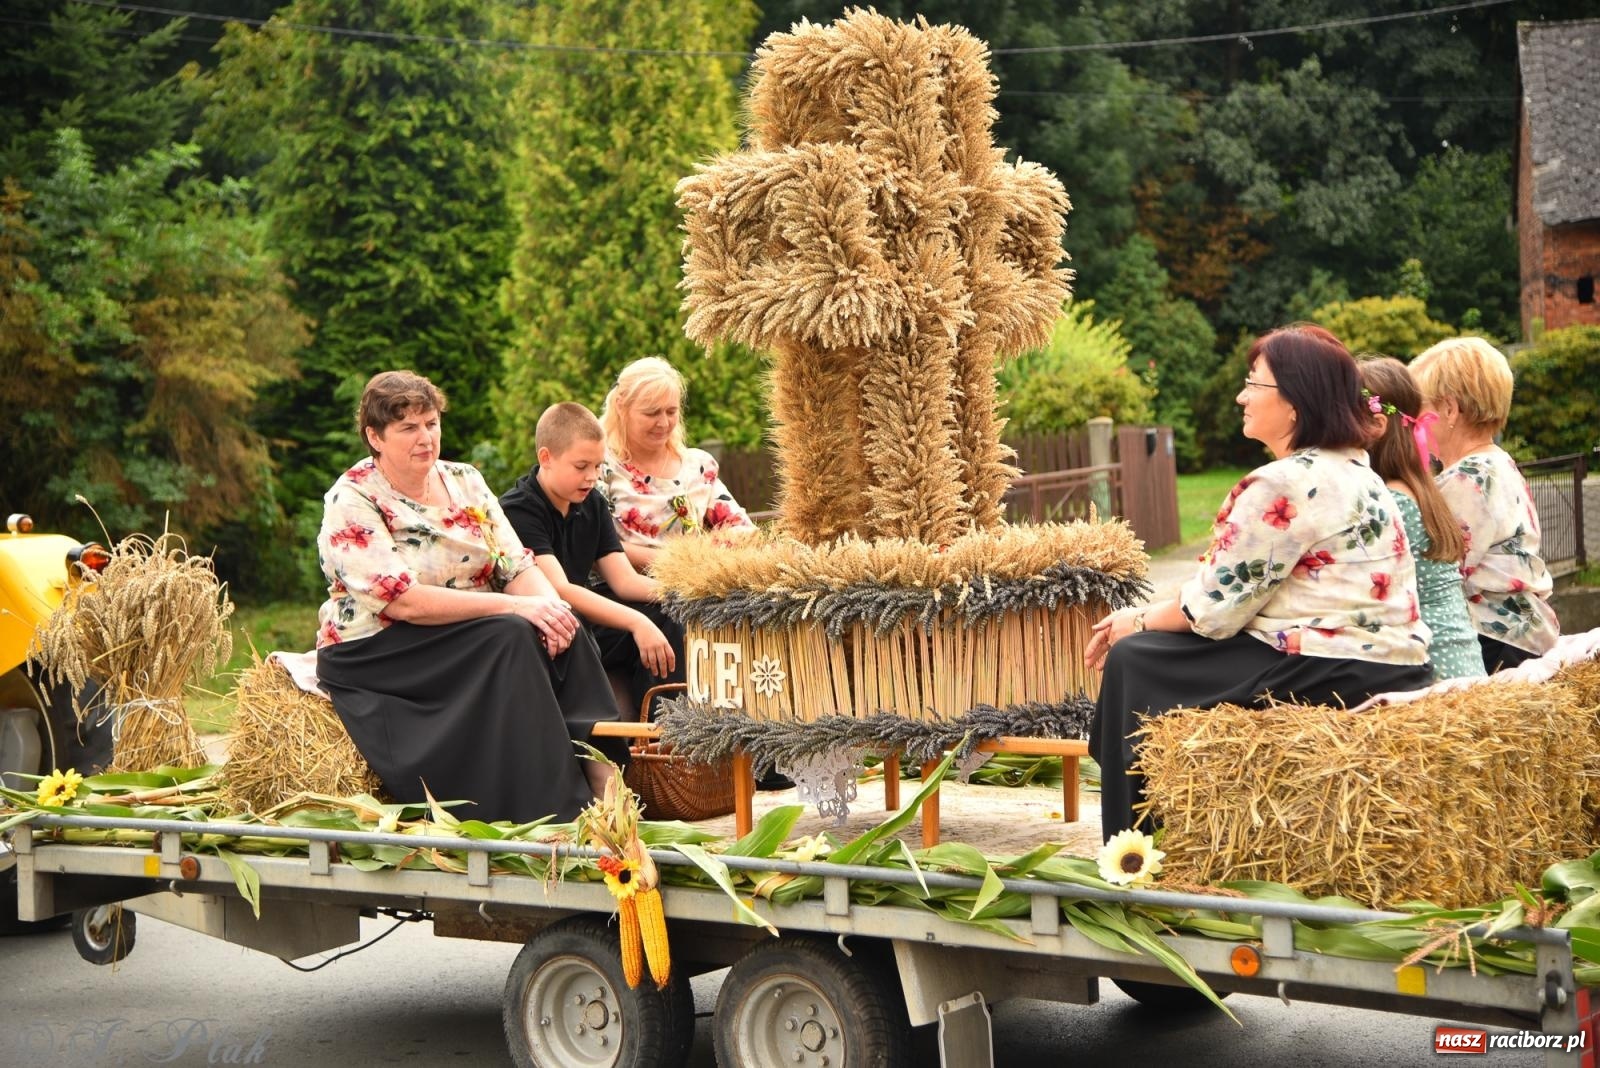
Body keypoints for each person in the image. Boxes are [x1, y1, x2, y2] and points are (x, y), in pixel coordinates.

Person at [1084, 325, 1435, 840]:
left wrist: (1133, 621)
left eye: (1254, 383)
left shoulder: (1285, 483)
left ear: (1295, 402)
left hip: (1335, 667)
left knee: (1136, 659)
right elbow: (1232, 587)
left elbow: (1212, 612)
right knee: (1150, 652)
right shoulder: (1359, 471)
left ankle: (1133, 846)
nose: (1241, 396)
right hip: (1392, 664)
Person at [314, 371, 624, 825]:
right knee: (513, 633)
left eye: (431, 423)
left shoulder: (465, 480)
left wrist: (551, 609)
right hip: (381, 646)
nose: (426, 437)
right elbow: (404, 602)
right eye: (408, 428)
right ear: (374, 437)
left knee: (565, 623)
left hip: (465, 630)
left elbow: (515, 565)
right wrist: (519, 607)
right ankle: (554, 809)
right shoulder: (352, 498)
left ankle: (608, 783)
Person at [500, 402, 685, 720]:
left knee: (669, 614)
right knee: (640, 621)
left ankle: (666, 734)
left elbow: (624, 581)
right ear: (546, 458)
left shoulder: (593, 502)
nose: (592, 477)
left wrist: (687, 593)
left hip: (587, 615)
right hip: (547, 622)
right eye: (581, 466)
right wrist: (637, 622)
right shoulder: (519, 509)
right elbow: (559, 590)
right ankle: (638, 745)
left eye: (598, 466)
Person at [1409, 336, 1559, 673]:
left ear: (1449, 409)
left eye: (1418, 413)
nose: (1413, 425)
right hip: (1521, 634)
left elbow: (1442, 570)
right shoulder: (1496, 463)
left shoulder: (1467, 479)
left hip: (1494, 640)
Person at [1356, 357, 1486, 681]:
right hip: (1464, 661)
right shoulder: (1419, 486)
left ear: (1375, 426)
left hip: (1439, 670)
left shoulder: (1393, 501)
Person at [598, 356, 754, 575]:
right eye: (651, 412)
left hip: (697, 586)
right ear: (621, 406)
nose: (663, 423)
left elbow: (740, 527)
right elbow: (595, 546)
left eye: (671, 412)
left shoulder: (698, 466)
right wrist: (682, 561)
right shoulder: (599, 466)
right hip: (625, 594)